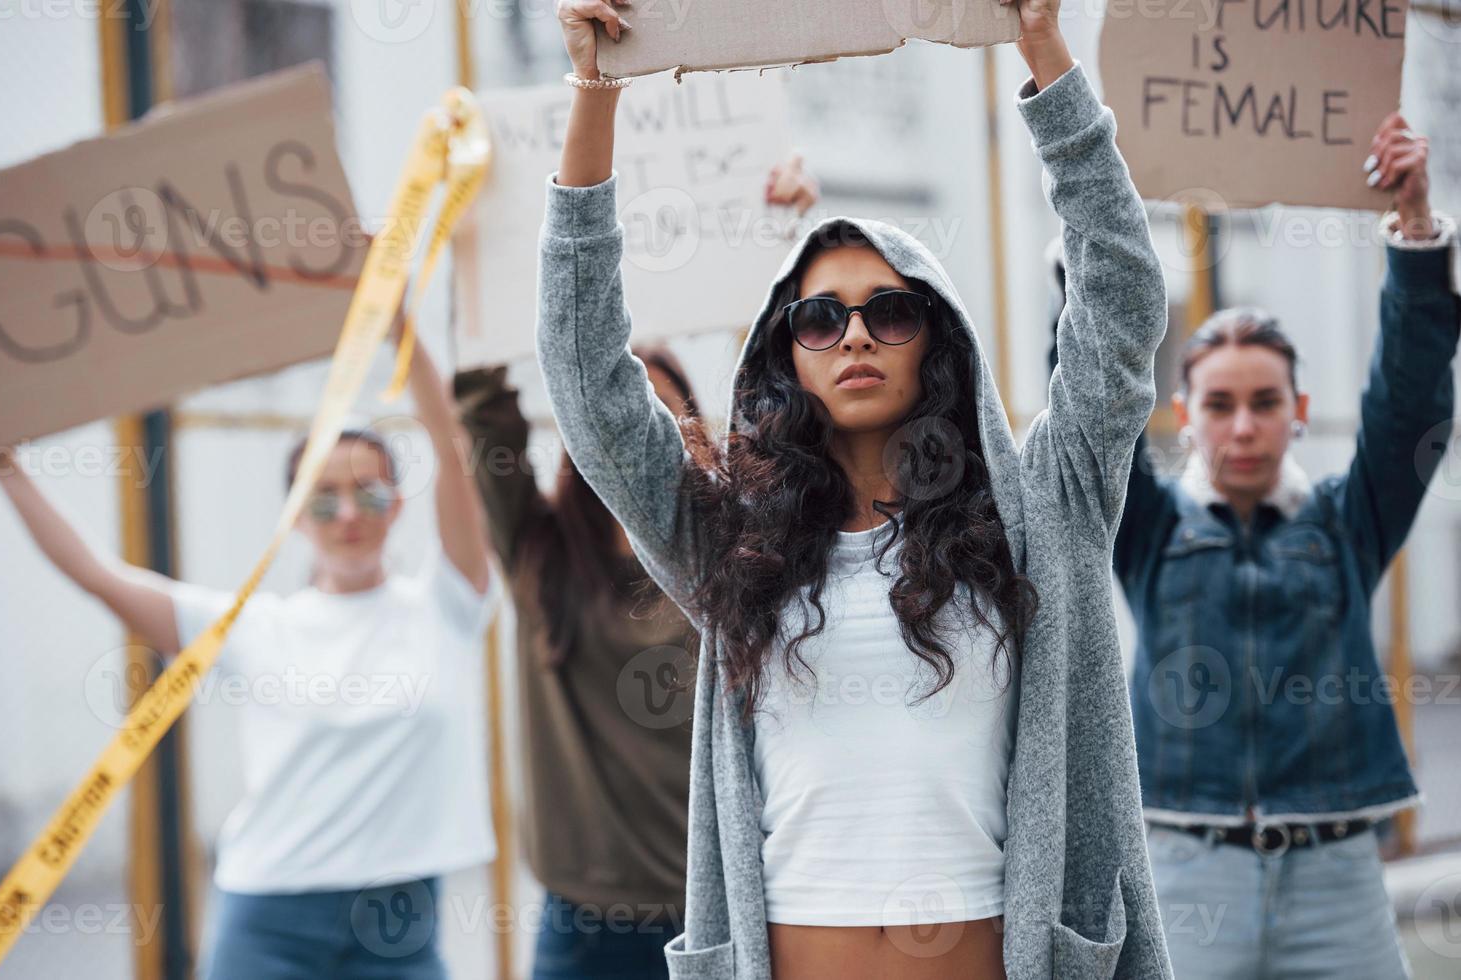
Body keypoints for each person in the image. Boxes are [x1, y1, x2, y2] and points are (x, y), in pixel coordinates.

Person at [532, 0, 1176, 974]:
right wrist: (593, 94)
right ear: (784, 354)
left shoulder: (1039, 509)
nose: (857, 334)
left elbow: (1120, 303)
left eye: (889, 310)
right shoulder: (731, 545)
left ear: (937, 337)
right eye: (821, 317)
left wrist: (1043, 49)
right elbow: (586, 377)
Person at [1057, 115, 1456, 978]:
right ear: (1183, 416)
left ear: (1297, 413)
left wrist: (1415, 224)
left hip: (1338, 873)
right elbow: (1093, 393)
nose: (1243, 425)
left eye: (1265, 402)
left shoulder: (1347, 523)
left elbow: (1410, 404)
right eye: (1220, 403)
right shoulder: (1150, 529)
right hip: (1183, 868)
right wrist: (1094, 235)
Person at [0, 326, 500, 980]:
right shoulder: (255, 627)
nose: (348, 513)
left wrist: (406, 332)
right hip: (270, 919)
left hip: (399, 922)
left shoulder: (449, 604)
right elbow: (96, 574)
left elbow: (452, 452)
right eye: (322, 497)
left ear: (399, 503)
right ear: (295, 515)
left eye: (368, 491)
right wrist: (6, 464)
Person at [453, 157, 818, 980]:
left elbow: (794, 405)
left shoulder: (736, 553)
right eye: (612, 427)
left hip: (724, 911)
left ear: (694, 426)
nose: (635, 441)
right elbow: (481, 407)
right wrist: (475, 252)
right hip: (581, 923)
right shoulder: (538, 555)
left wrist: (786, 245)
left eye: (658, 415)